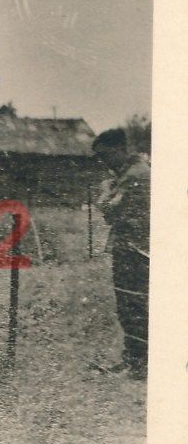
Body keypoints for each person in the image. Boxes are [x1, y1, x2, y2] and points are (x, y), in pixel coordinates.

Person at [92, 128, 150, 380]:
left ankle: (139, 363)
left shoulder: (135, 175)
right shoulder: (132, 173)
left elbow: (110, 210)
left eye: (105, 155)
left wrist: (105, 192)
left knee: (132, 305)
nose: (102, 162)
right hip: (135, 247)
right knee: (132, 305)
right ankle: (136, 360)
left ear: (118, 150)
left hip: (135, 249)